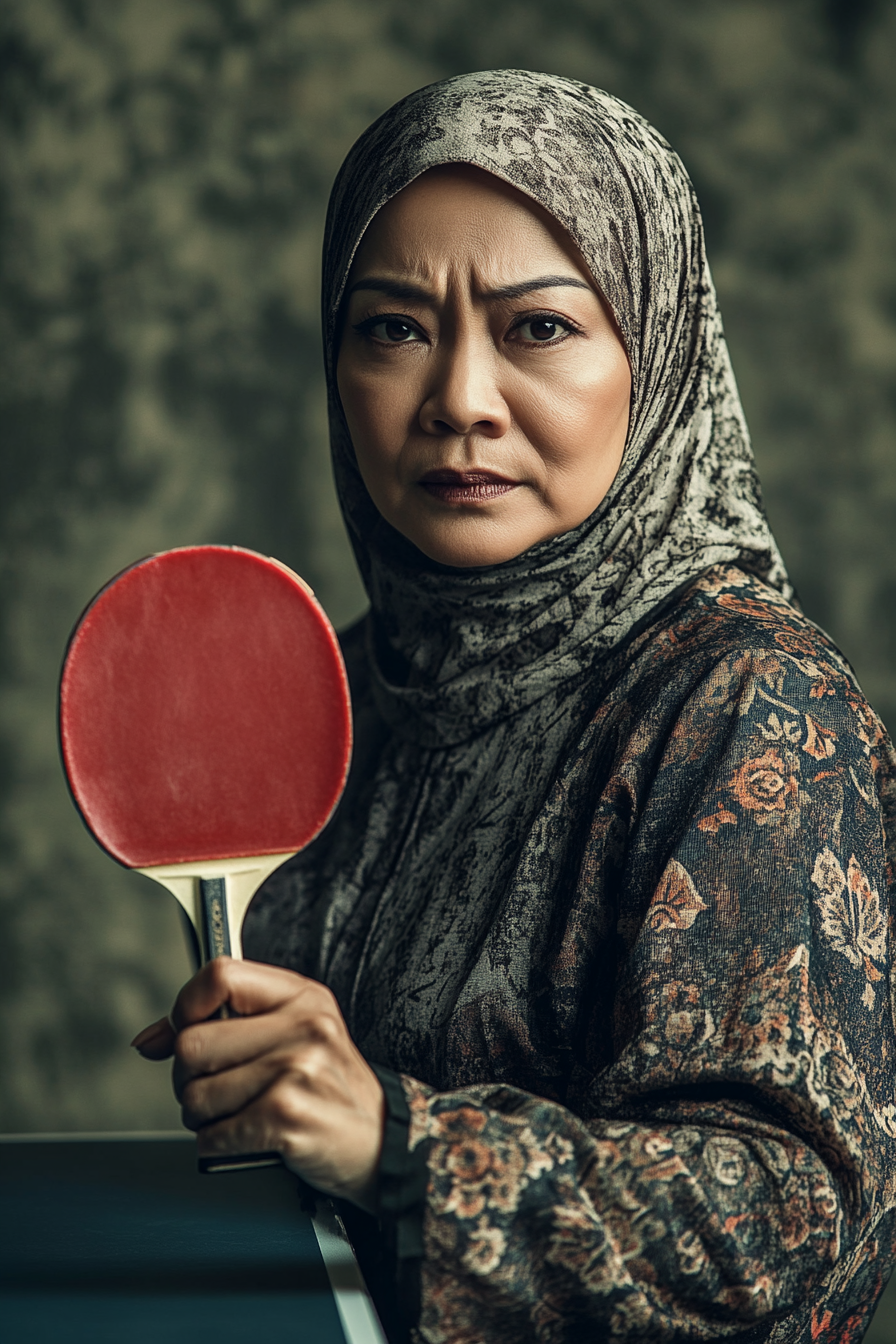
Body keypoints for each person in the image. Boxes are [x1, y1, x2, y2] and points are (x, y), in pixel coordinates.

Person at [131, 71, 896, 1342]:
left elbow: (790, 1224)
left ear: (652, 354)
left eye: (536, 328)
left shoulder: (748, 703)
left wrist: (395, 1140)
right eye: (391, 329)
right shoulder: (357, 681)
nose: (459, 401)